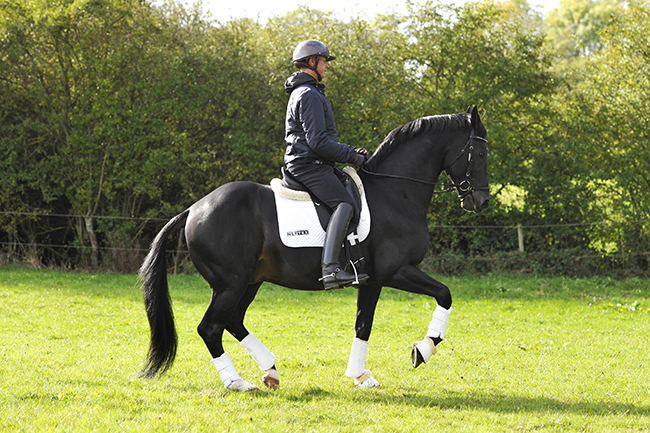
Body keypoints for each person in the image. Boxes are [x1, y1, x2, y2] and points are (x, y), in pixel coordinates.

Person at [283, 39, 370, 290]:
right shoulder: (308, 94)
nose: (327, 67)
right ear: (312, 62)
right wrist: (351, 155)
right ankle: (331, 270)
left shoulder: (308, 92)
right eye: (324, 61)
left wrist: (350, 151)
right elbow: (319, 142)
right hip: (309, 164)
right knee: (344, 204)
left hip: (314, 161)